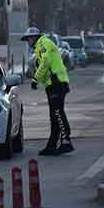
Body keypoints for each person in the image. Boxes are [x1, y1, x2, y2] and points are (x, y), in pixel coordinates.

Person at [21, 27, 74, 155]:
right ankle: (52, 145)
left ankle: (66, 141)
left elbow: (45, 62)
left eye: (28, 39)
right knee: (54, 115)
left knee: (57, 113)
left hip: (57, 83)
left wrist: (35, 79)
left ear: (33, 38)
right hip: (53, 84)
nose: (28, 42)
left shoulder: (43, 44)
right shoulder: (42, 45)